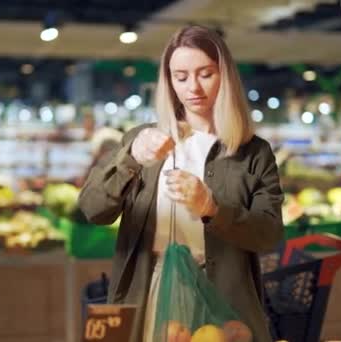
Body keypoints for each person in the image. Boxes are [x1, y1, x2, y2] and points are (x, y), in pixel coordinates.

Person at [78, 25, 283, 342]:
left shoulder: (253, 152)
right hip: (149, 290)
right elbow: (93, 209)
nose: (193, 88)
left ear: (225, 76)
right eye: (181, 76)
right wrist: (131, 158)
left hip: (223, 299)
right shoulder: (142, 139)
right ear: (168, 81)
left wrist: (212, 208)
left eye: (205, 73)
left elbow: (269, 234)